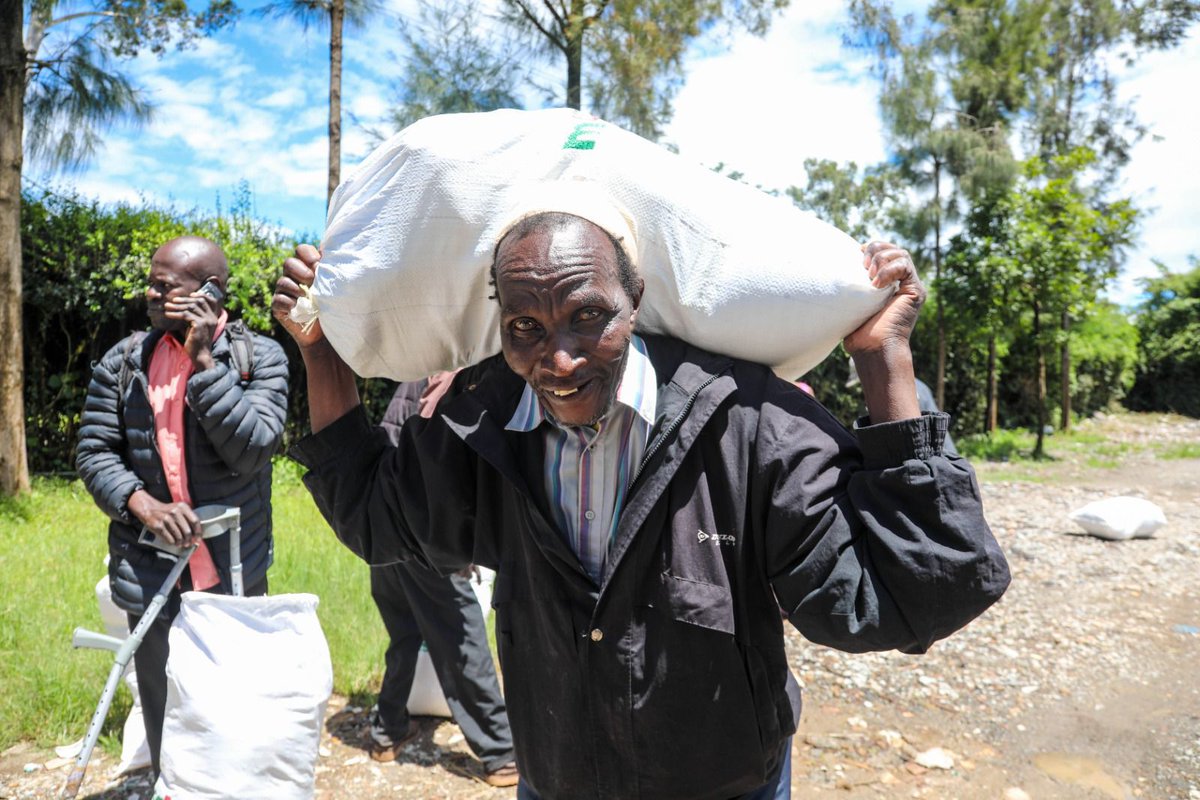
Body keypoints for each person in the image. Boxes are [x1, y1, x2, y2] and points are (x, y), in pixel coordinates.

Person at [275, 212, 1009, 800]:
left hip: (722, 784)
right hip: (556, 778)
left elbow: (902, 596)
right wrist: (319, 351)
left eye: (588, 316)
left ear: (639, 301)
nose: (557, 360)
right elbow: (375, 515)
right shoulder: (483, 424)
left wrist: (885, 361)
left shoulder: (747, 425)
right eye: (525, 326)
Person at [77, 235, 289, 776]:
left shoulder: (258, 358)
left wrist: (201, 362)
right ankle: (170, 784)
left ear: (210, 291)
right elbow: (94, 451)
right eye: (150, 281)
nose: (148, 293)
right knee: (161, 702)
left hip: (233, 568)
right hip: (148, 569)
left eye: (163, 285)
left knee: (232, 703)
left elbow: (255, 448)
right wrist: (141, 503)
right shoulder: (123, 361)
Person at [365, 374, 518, 787]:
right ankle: (501, 753)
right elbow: (446, 469)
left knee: (405, 633)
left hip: (383, 524)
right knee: (462, 637)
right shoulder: (455, 376)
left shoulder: (417, 371)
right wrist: (460, 545)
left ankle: (388, 731)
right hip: (423, 534)